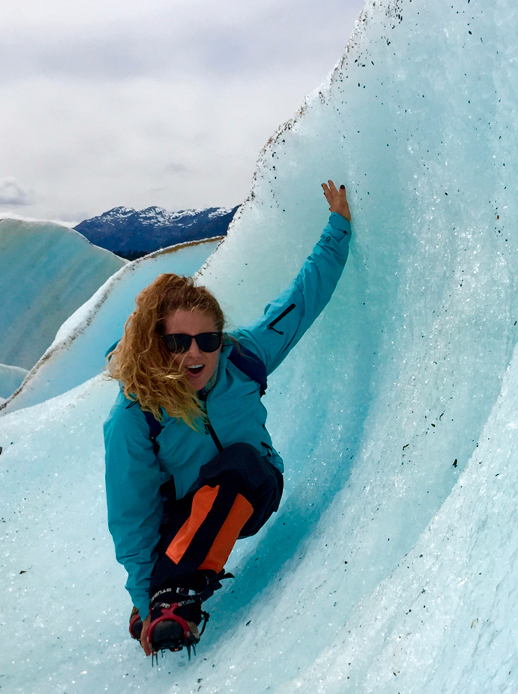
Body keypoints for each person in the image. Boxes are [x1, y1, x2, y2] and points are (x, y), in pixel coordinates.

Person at [103, 181, 351, 657]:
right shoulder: (134, 415)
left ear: (221, 338)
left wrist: (336, 230)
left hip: (253, 486)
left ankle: (178, 600)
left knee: (238, 465)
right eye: (179, 342)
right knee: (166, 527)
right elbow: (132, 515)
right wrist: (141, 595)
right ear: (157, 343)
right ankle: (159, 596)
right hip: (190, 507)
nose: (195, 354)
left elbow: (300, 301)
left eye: (207, 340)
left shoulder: (243, 358)